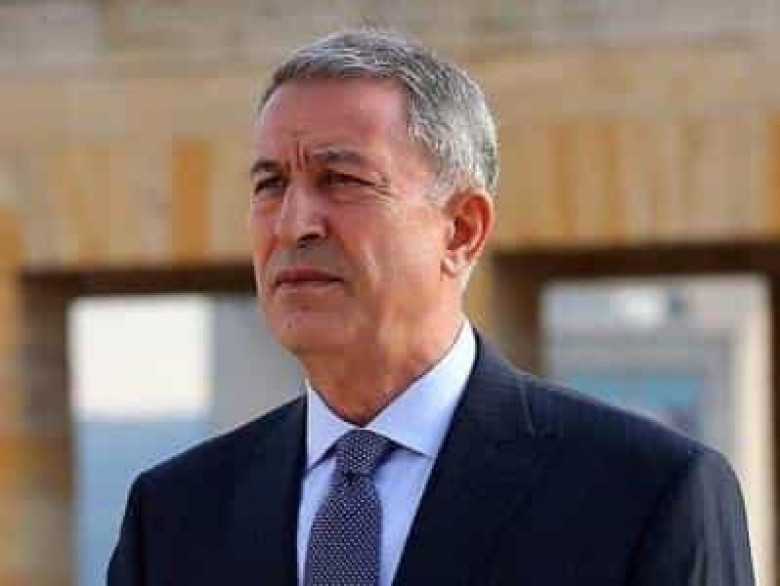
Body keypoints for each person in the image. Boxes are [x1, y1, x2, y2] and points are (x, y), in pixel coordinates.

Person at [108, 29, 755, 585]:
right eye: (270, 184)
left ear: (461, 229)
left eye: (341, 180)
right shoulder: (173, 518)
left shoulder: (644, 496)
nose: (294, 223)